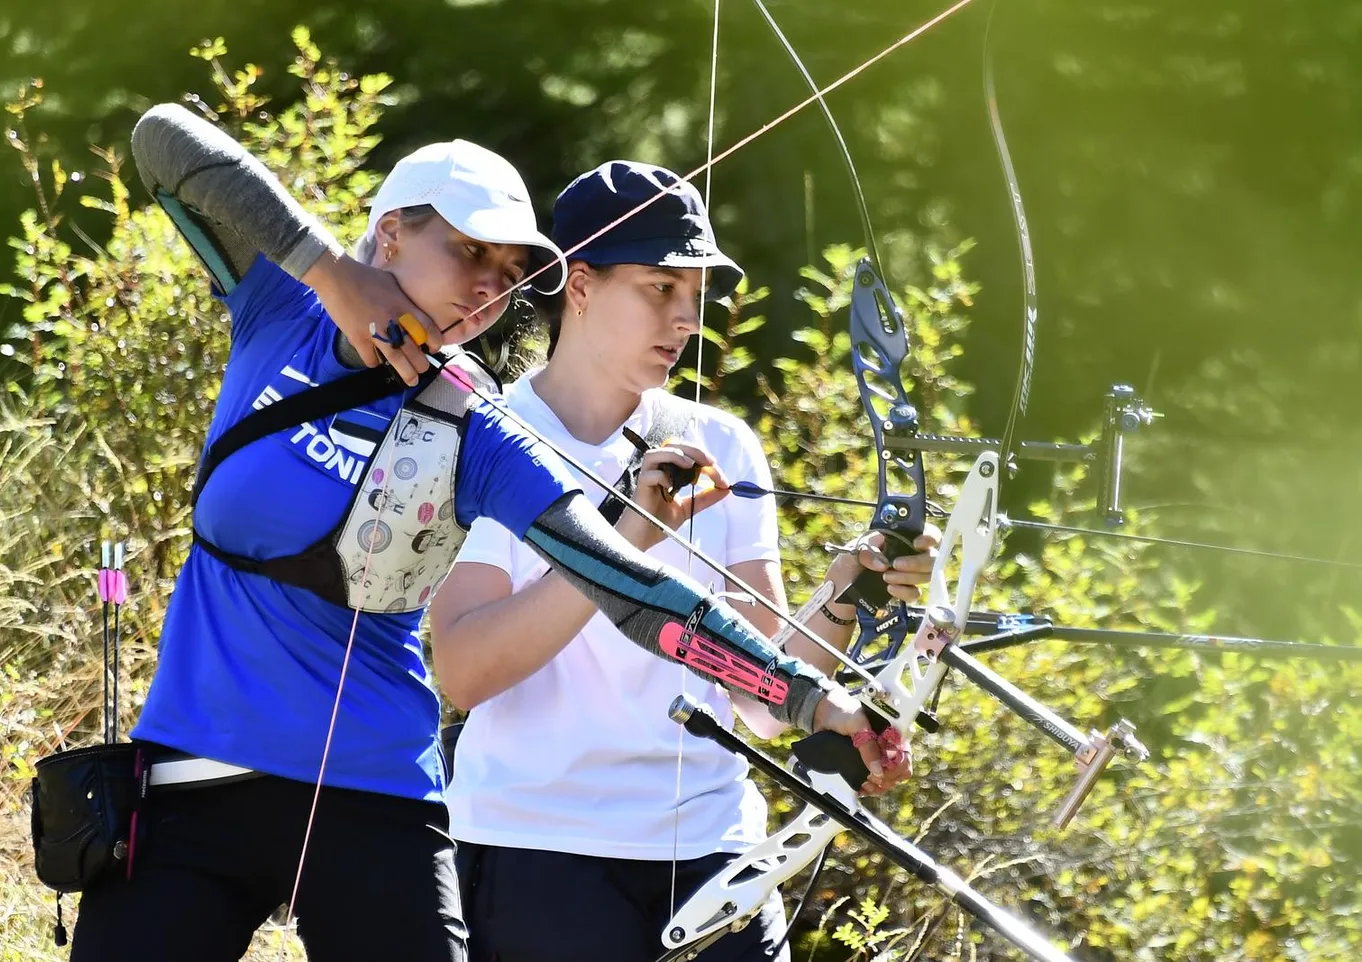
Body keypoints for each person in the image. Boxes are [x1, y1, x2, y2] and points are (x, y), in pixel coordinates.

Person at [65, 106, 895, 962]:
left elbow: (628, 584)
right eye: (469, 252)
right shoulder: (277, 307)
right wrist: (327, 273)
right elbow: (162, 141)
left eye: (509, 272)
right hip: (194, 776)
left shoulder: (479, 430)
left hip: (373, 795)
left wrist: (807, 696)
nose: (488, 289)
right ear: (390, 234)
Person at [428, 161, 940, 962]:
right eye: (660, 288)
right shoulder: (493, 438)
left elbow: (764, 704)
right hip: (536, 856)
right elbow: (463, 670)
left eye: (695, 296)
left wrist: (849, 587)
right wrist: (624, 538)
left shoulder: (723, 446)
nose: (685, 319)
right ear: (581, 283)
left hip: (715, 857)